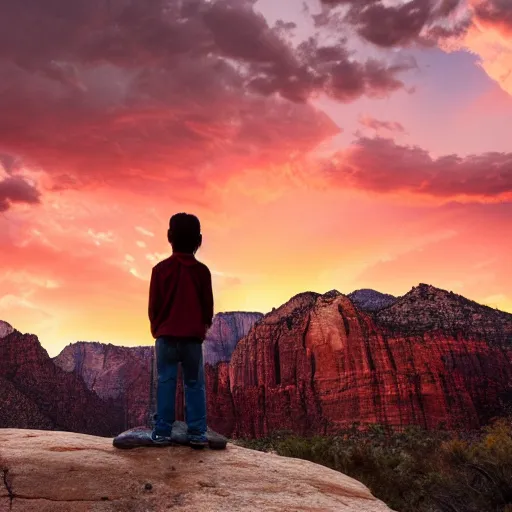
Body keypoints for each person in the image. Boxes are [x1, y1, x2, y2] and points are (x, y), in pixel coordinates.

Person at [148, 213, 214, 448]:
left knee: (165, 381)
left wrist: (157, 329)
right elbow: (208, 307)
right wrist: (202, 327)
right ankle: (197, 432)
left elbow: (153, 307)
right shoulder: (202, 272)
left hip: (165, 337)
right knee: (194, 384)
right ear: (199, 239)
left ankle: (163, 431)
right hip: (192, 340)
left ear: (169, 237)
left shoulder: (159, 270)